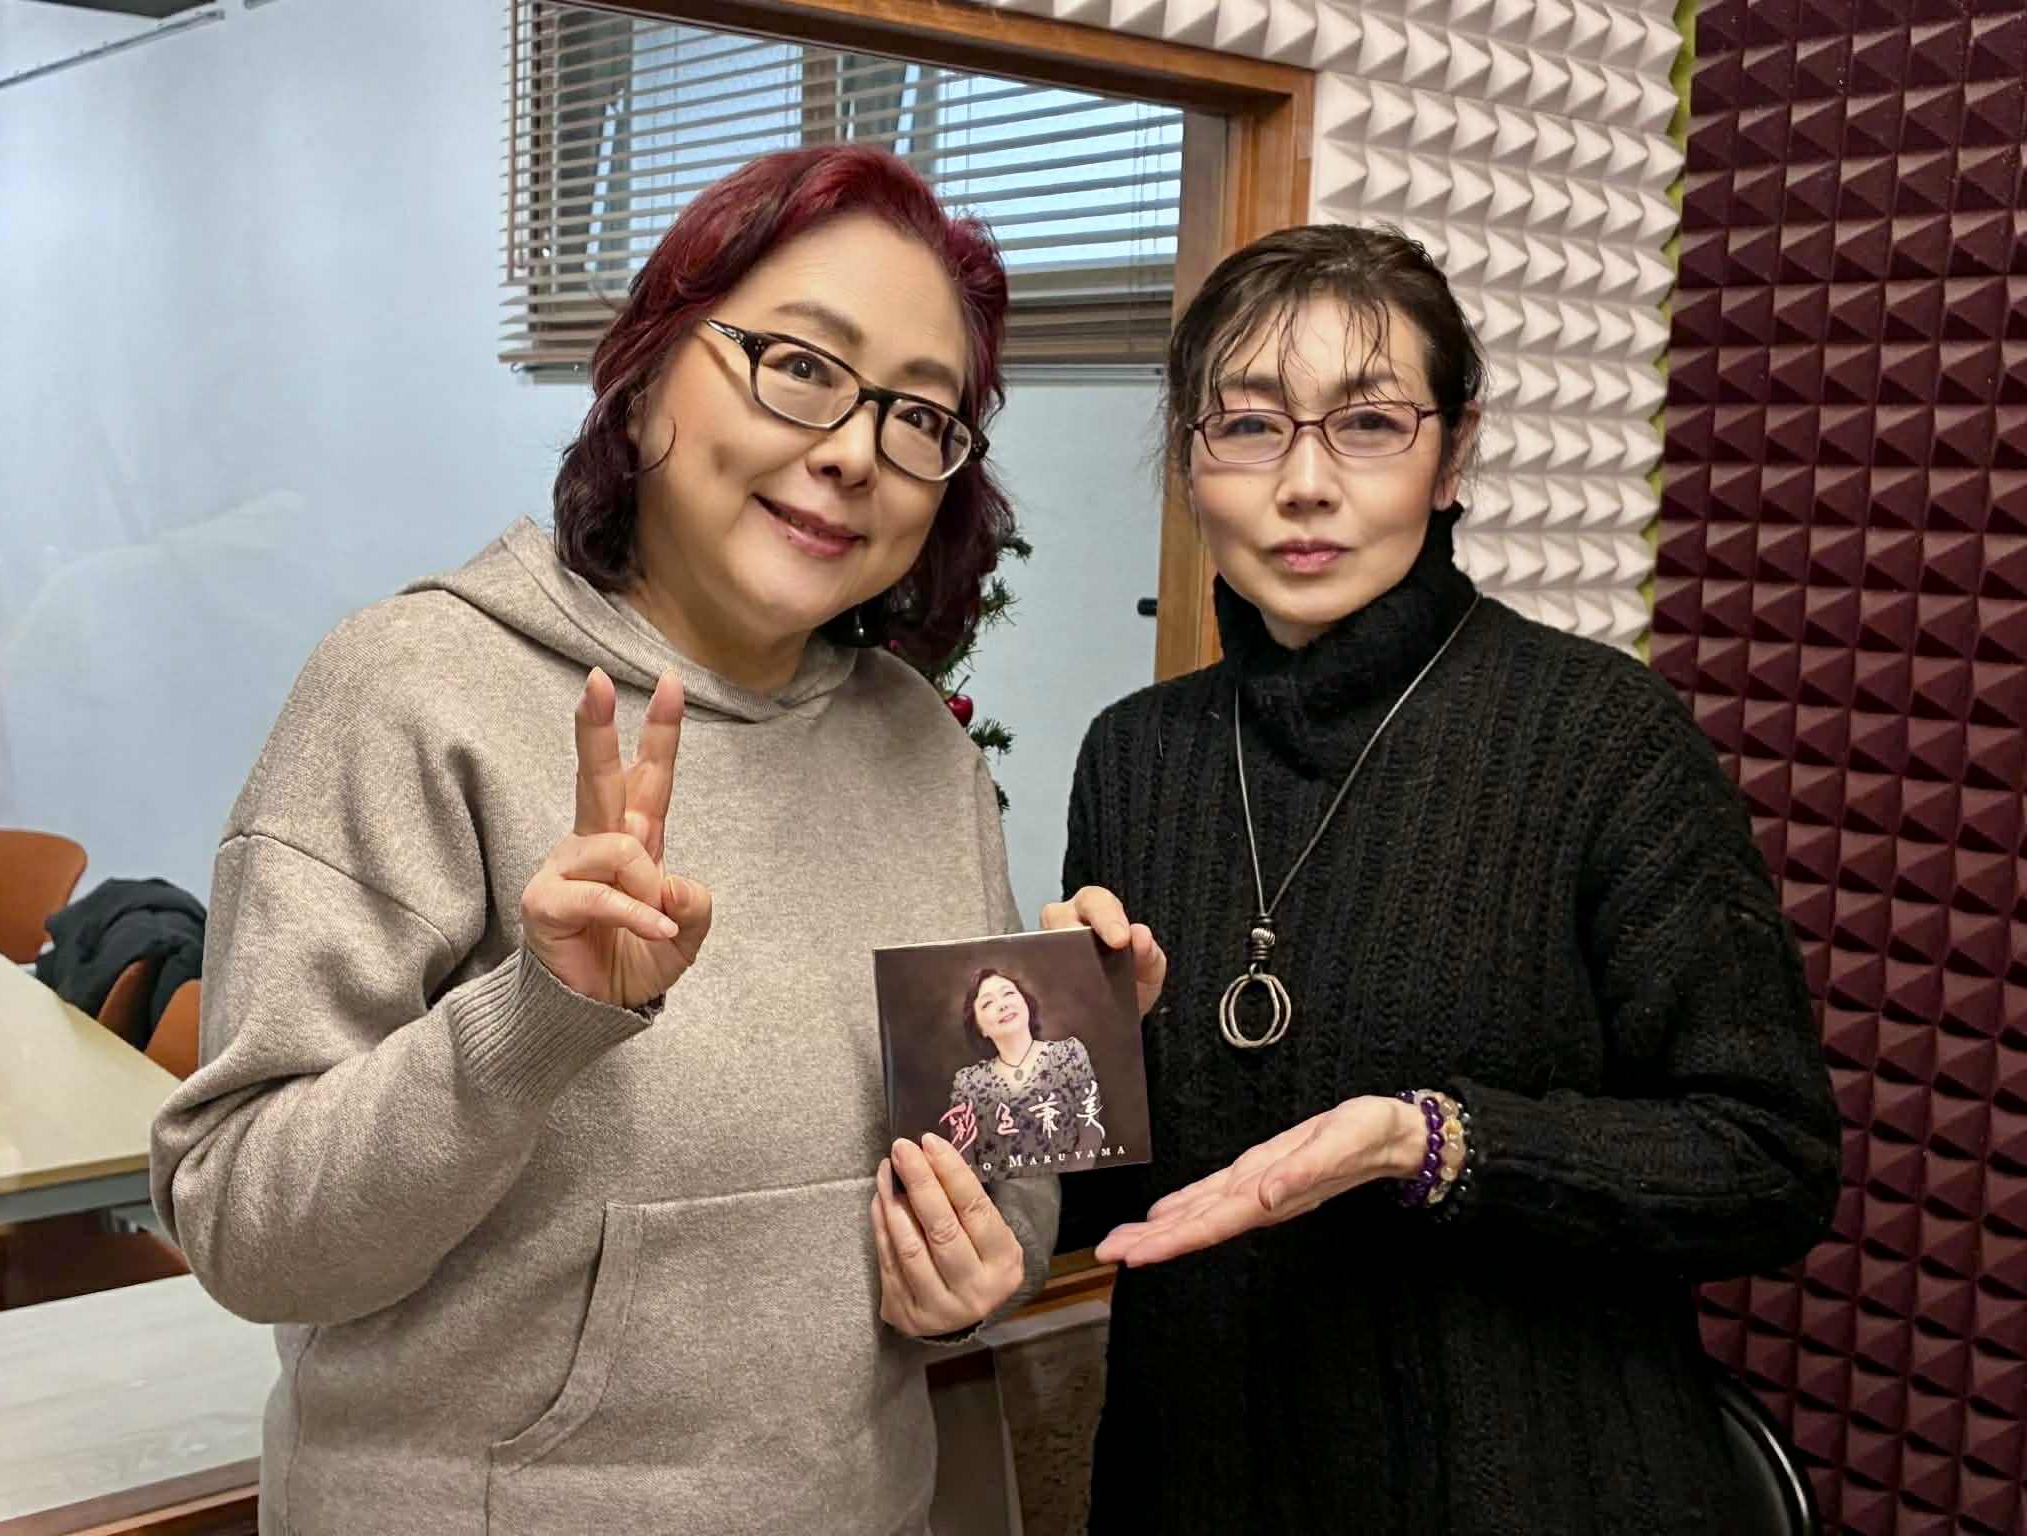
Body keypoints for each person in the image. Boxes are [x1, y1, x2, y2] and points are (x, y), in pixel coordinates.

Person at [149, 146, 1060, 1536]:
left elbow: (999, 1188)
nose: (852, 451)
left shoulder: (921, 753)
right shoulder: (415, 690)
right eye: (799, 366)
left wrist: (980, 1263)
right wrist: (536, 1019)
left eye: (919, 416)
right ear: (641, 385)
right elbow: (242, 1227)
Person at [1044, 224, 1842, 1535]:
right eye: (1248, 426)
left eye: (1367, 423)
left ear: (1452, 454)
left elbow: (1769, 1162)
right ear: (1190, 464)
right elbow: (1119, 1200)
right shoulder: (1134, 756)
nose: (1305, 483)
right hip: (1197, 1481)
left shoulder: (1601, 735)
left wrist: (1434, 1143)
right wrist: (1074, 1069)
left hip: (1538, 1489)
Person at [944, 966, 1103, 1172]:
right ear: (979, 1027)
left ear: (1026, 1003)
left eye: (1008, 993)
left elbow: (1091, 1131)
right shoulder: (968, 1083)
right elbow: (963, 1160)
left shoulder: (1069, 1053)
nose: (1002, 1005)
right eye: (987, 1003)